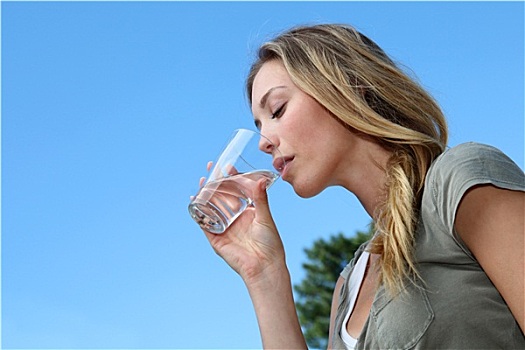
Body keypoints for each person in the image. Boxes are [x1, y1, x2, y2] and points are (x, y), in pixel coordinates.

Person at [199, 23, 525, 349]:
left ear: (347, 87)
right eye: (259, 125)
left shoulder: (459, 183)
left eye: (277, 110)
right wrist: (263, 274)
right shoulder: (347, 287)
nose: (262, 143)